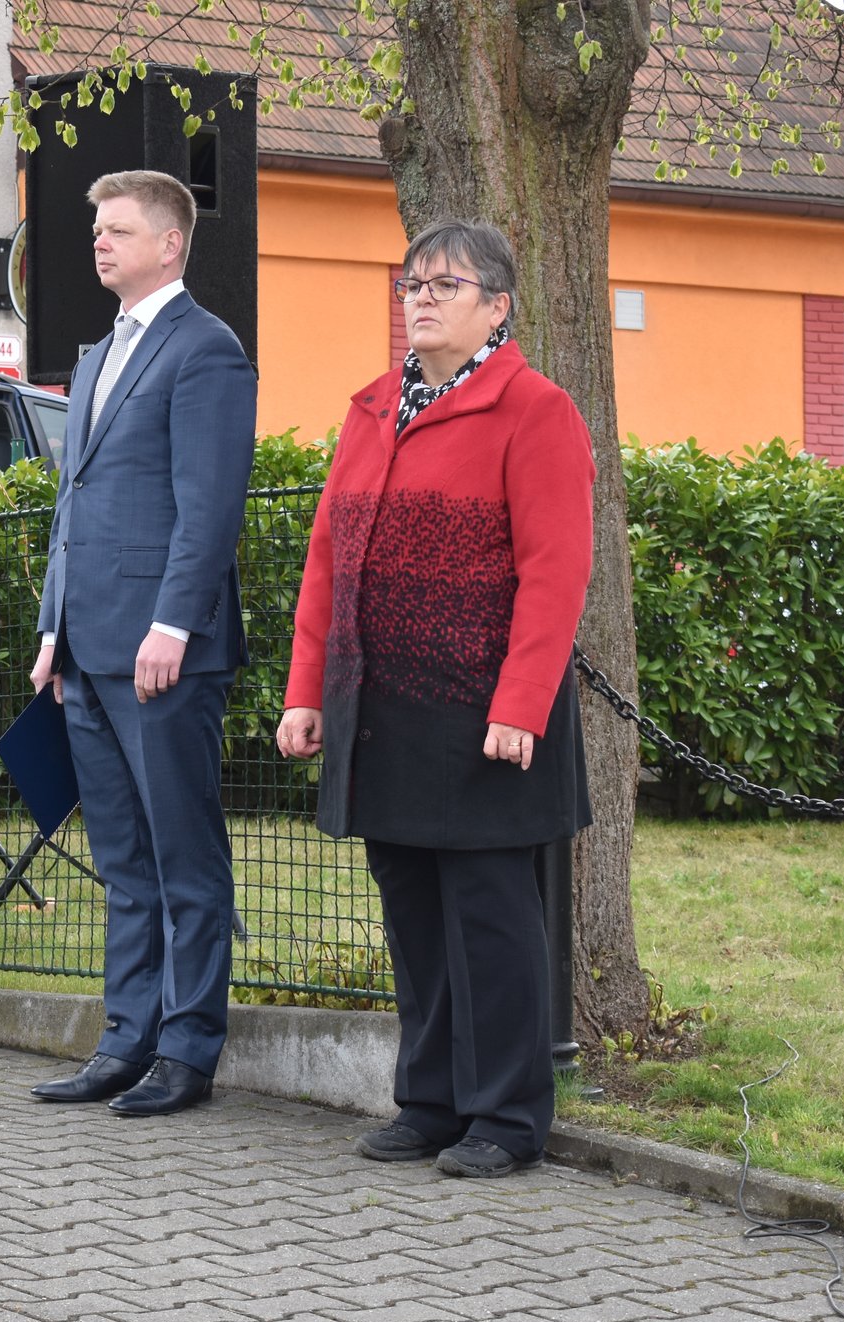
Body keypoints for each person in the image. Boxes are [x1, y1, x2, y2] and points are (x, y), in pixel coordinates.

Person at [276, 219, 596, 1178]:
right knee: (412, 913)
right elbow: (328, 561)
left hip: (485, 714)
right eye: (411, 283)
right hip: (383, 710)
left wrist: (521, 704)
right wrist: (307, 692)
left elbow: (556, 572)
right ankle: (429, 1100)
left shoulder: (536, 411)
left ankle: (506, 1116)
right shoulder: (373, 407)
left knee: (491, 919)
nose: (420, 297)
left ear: (498, 307)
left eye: (444, 285)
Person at [26, 171, 257, 1117]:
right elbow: (72, 506)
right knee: (123, 860)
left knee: (182, 858)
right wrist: (52, 626)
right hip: (86, 646)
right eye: (97, 228)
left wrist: (172, 623)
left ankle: (187, 1049)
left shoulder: (207, 350)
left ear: (170, 244)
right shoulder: (96, 356)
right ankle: (126, 1039)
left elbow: (209, 507)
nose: (99, 241)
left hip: (163, 652)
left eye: (118, 229)